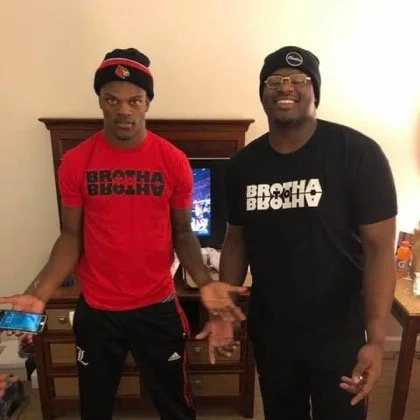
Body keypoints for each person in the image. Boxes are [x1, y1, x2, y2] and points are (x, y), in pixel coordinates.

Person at [0, 48, 246, 420]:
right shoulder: (76, 161)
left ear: (147, 103)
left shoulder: (172, 160)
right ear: (100, 101)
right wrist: (40, 294)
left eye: (134, 100)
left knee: (175, 405)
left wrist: (204, 280)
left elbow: (183, 232)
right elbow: (70, 236)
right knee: (94, 406)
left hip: (157, 307)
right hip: (98, 310)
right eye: (112, 99)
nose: (123, 110)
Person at [198, 46, 397, 419]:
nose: (285, 87)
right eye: (273, 80)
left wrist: (376, 339)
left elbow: (379, 250)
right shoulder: (243, 165)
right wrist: (224, 312)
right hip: (273, 329)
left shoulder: (357, 153)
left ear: (315, 92)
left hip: (338, 331)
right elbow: (236, 241)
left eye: (298, 79)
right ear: (262, 92)